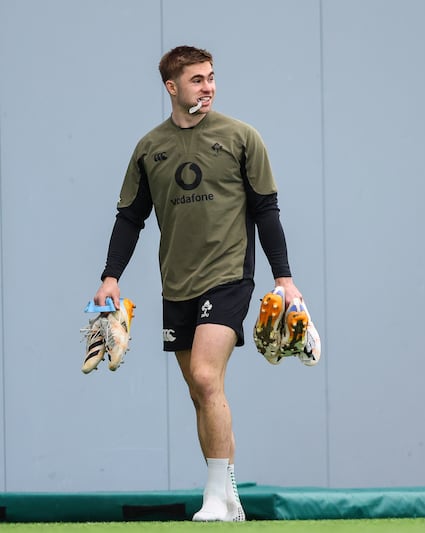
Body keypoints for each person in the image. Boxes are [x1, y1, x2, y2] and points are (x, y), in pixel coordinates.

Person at [91, 45, 306, 522]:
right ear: (172, 87)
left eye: (211, 78)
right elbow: (130, 218)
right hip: (177, 284)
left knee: (208, 377)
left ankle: (214, 498)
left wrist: (285, 279)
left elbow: (266, 210)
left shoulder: (241, 137)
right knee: (201, 391)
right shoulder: (151, 148)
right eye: (197, 80)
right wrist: (111, 277)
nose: (208, 86)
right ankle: (228, 495)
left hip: (229, 275)